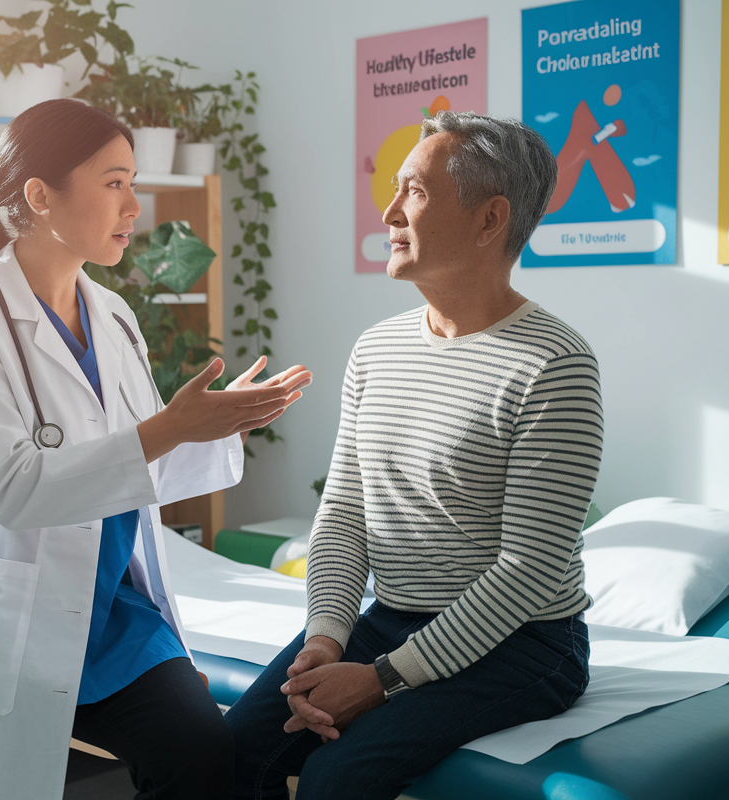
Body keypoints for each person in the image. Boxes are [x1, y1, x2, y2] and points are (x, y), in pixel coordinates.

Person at [0, 99, 311, 800]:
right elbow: (15, 490)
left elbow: (139, 464)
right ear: (39, 196)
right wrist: (172, 426)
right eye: (114, 183)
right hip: (16, 619)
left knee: (203, 754)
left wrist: (215, 424)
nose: (134, 206)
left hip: (118, 613)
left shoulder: (112, 314)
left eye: (133, 183)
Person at [226, 111, 603, 799]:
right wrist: (329, 638)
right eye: (395, 188)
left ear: (491, 219)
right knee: (230, 753)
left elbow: (528, 569)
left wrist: (384, 679)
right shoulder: (377, 349)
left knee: (334, 776)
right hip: (390, 618)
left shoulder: (555, 364)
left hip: (527, 642)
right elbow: (344, 511)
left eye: (416, 193)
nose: (390, 210)